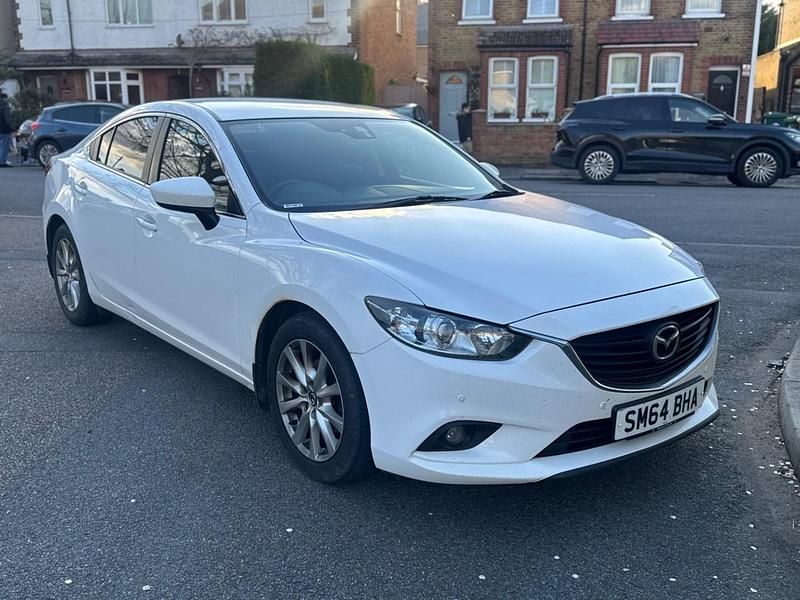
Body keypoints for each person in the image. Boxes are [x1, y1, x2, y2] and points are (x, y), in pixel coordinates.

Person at [0, 92, 14, 168]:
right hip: (4, 128)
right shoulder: (4, 105)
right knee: (4, 145)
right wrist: (12, 128)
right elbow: (8, 118)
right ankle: (2, 161)